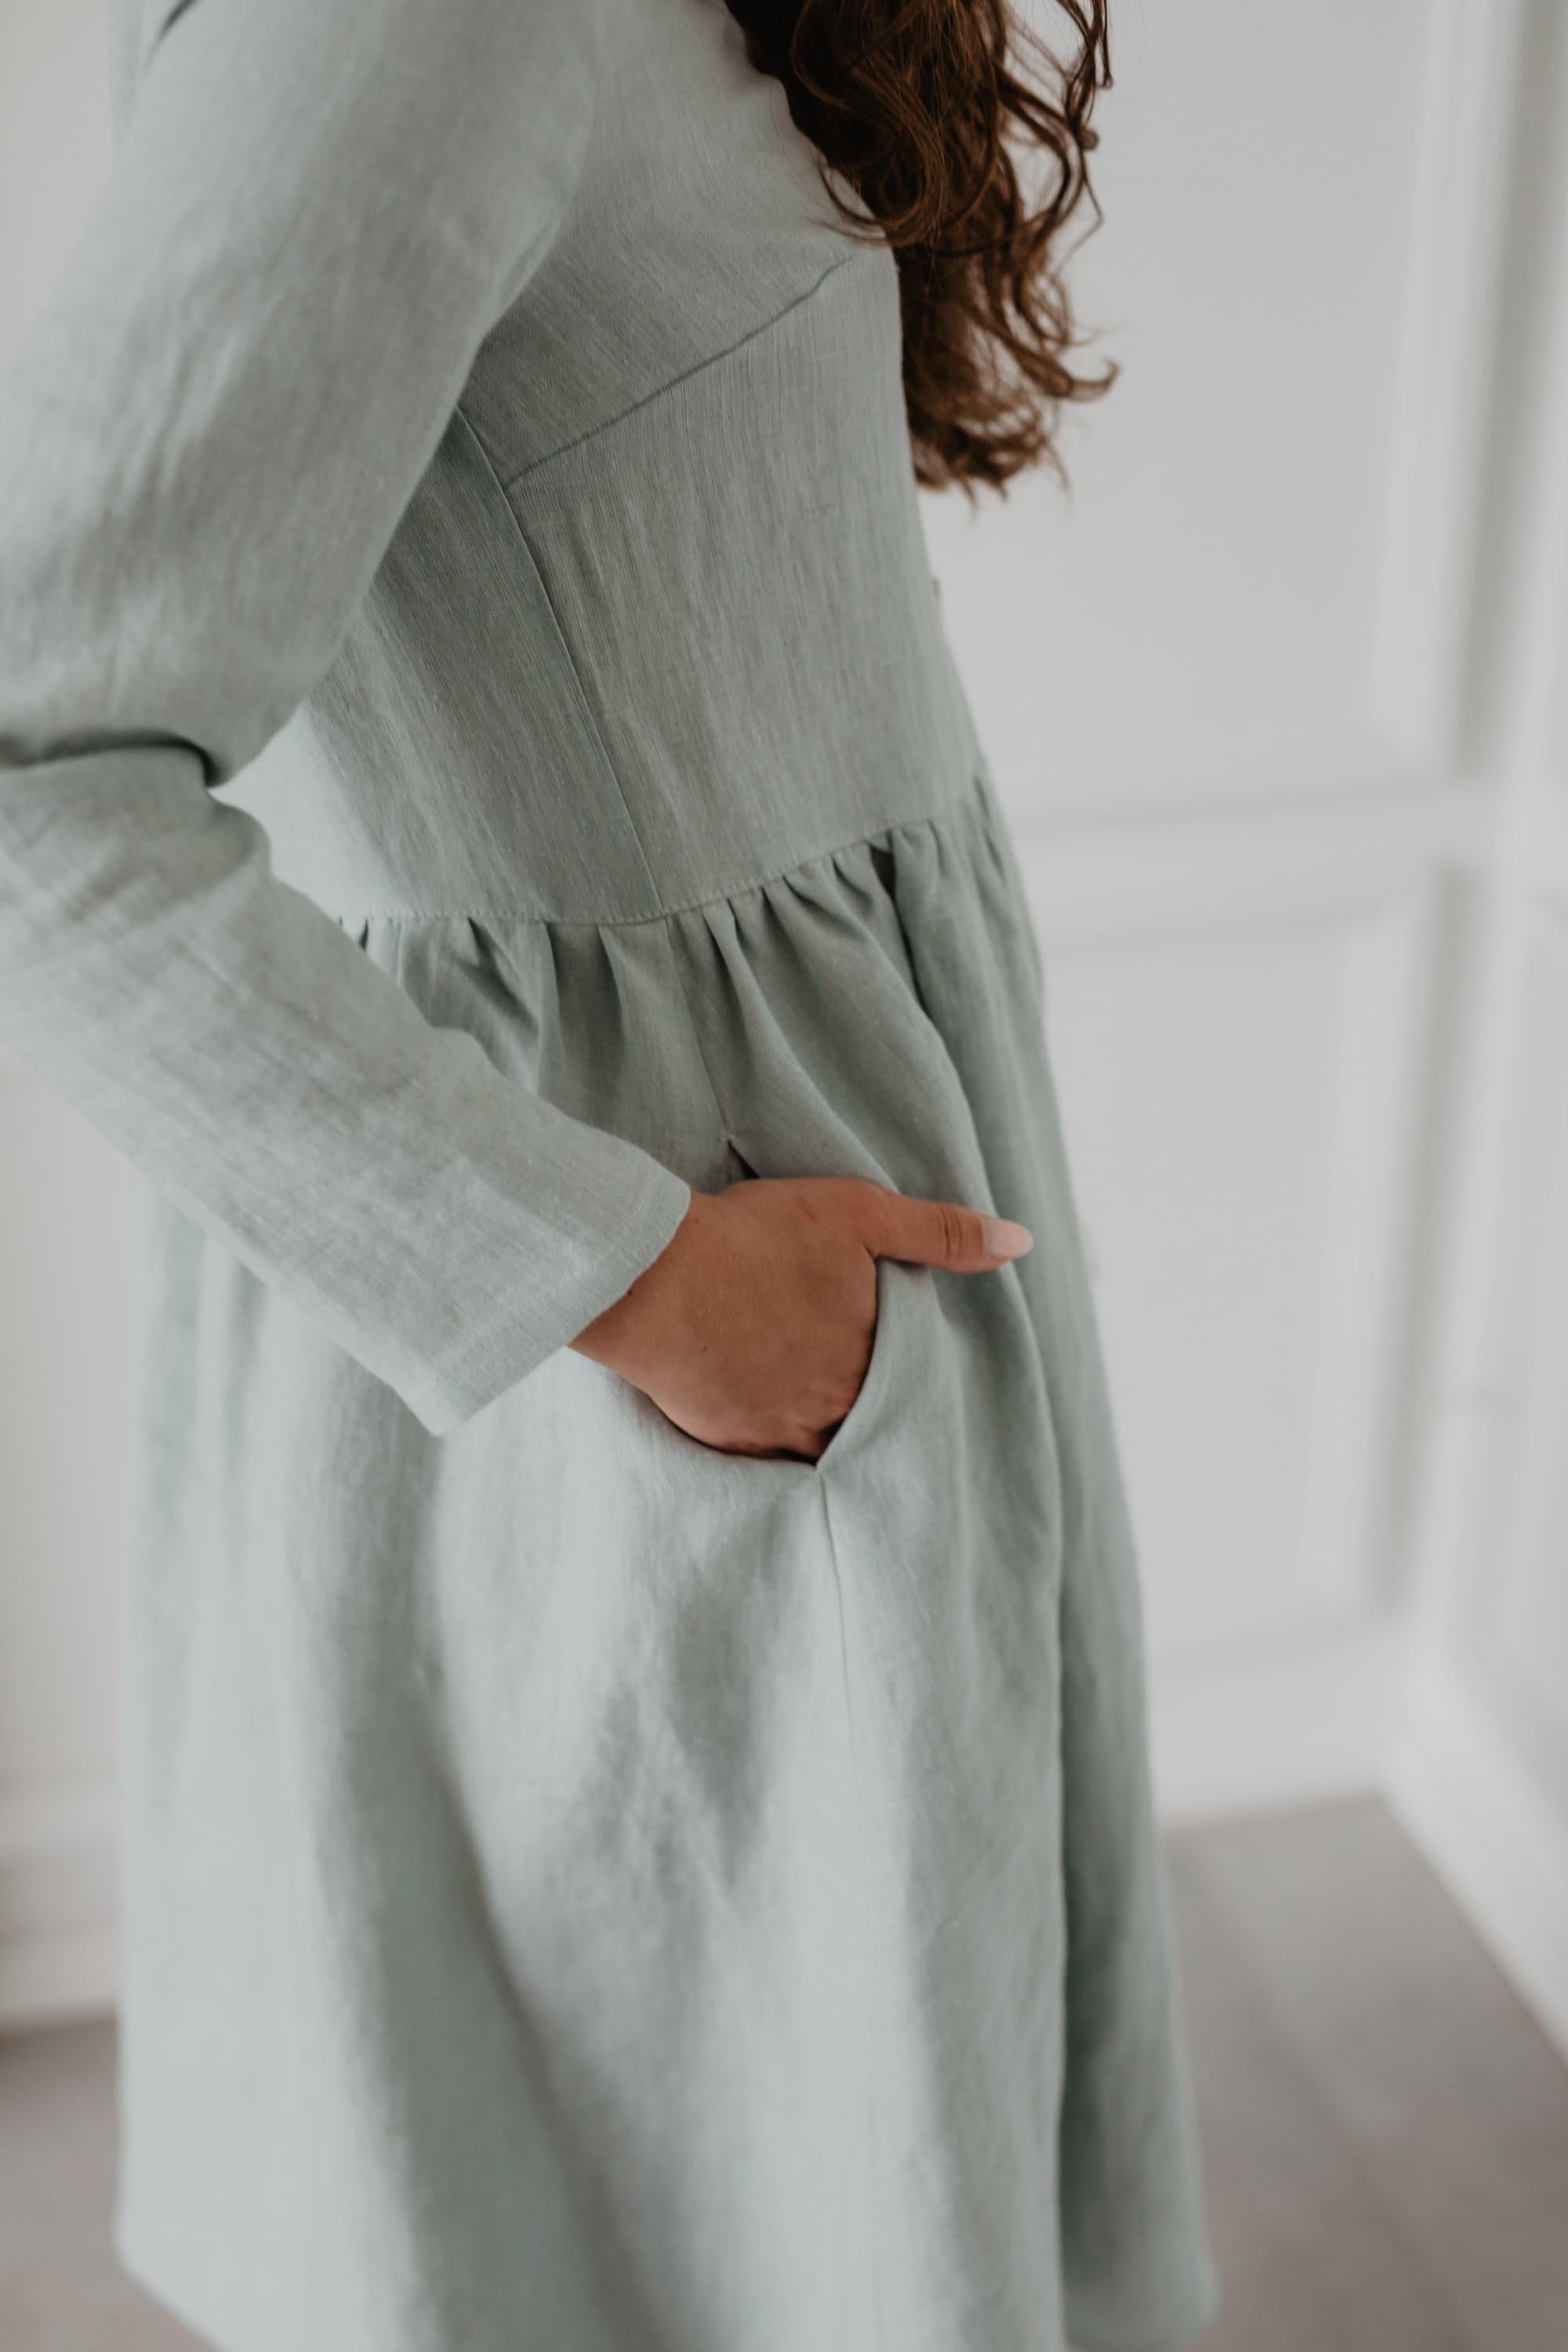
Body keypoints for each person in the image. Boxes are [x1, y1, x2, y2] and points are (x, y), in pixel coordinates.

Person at [0, 0, 1221, 2347]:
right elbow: (35, 777)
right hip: (672, 1391)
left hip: (808, 1296)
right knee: (723, 2217)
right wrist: (621, 1277)